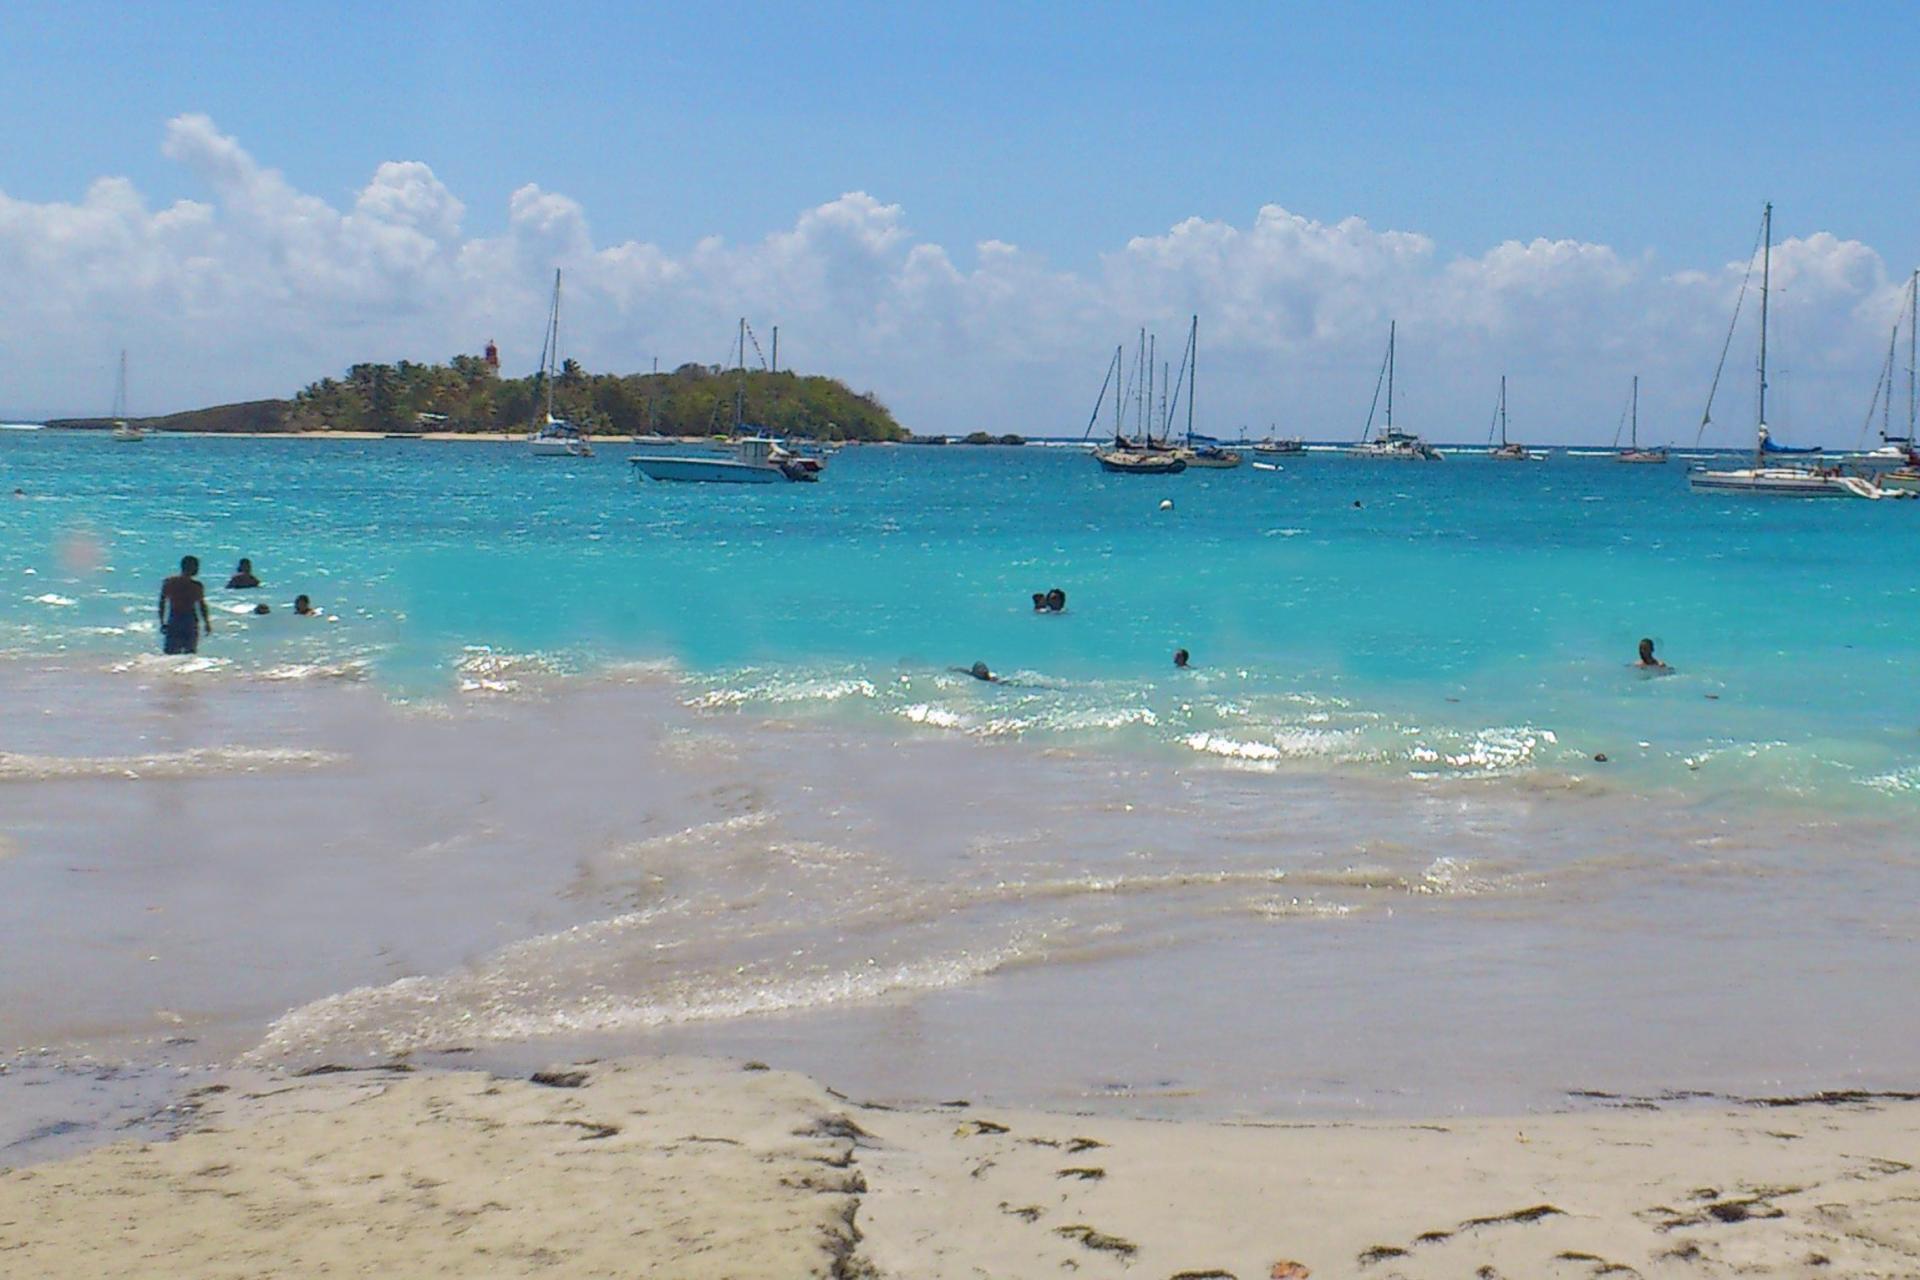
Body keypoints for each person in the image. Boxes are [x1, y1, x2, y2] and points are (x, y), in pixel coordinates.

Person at [158, 556, 212, 654]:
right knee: (189, 652)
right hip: (190, 620)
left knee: (171, 653)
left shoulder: (169, 582)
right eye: (196, 566)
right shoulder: (196, 585)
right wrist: (206, 623)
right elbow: (201, 606)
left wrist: (162, 622)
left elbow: (162, 603)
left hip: (174, 618)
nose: (197, 569)